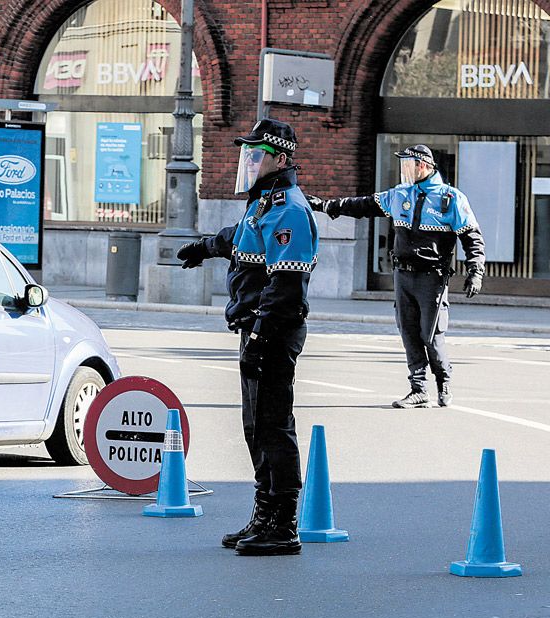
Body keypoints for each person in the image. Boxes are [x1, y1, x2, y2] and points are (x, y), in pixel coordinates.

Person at [175, 119, 319, 556]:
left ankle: (283, 524)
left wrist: (259, 338)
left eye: (257, 154)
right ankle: (263, 513)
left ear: (279, 158)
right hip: (255, 328)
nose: (249, 161)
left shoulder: (289, 209)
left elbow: (286, 288)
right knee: (255, 427)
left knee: (274, 427)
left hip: (272, 330)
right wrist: (204, 247)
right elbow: (239, 239)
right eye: (248, 154)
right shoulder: (263, 204)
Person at [307, 144, 485, 409]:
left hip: (432, 278)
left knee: (431, 335)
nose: (404, 171)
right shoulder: (400, 194)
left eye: (408, 165)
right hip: (403, 275)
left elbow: (472, 237)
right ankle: (418, 389)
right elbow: (364, 205)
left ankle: (443, 379)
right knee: (408, 332)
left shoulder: (451, 198)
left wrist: (475, 271)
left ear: (423, 166)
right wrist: (327, 206)